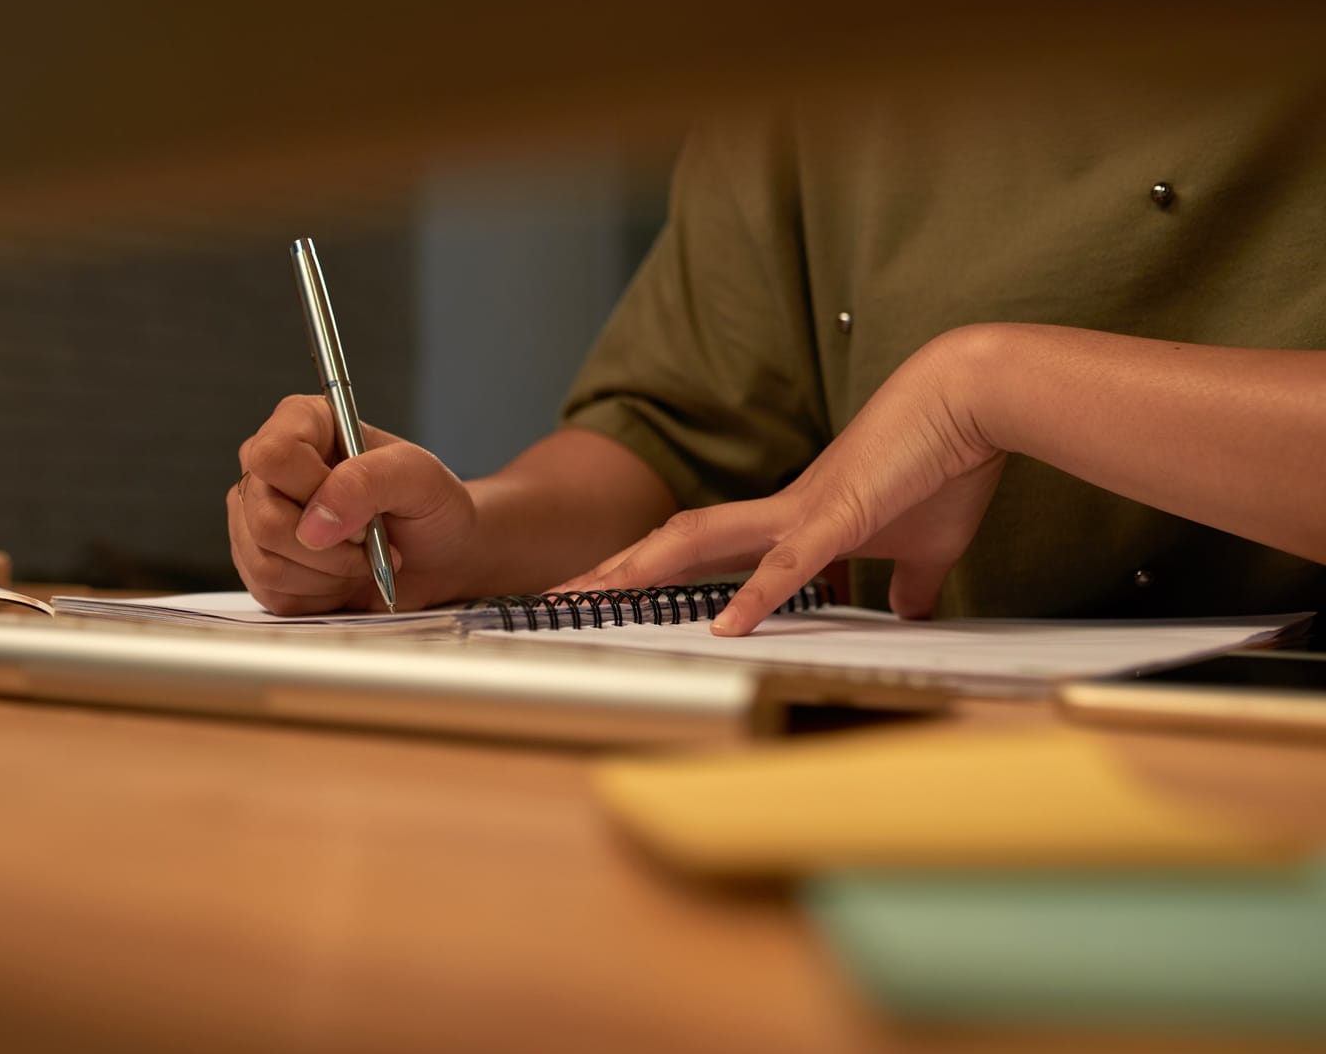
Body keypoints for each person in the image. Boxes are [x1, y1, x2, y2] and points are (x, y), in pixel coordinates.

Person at [228, 69, 1326, 634]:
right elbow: (670, 447)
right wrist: (460, 536)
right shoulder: (817, 32)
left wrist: (985, 386)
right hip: (919, 748)